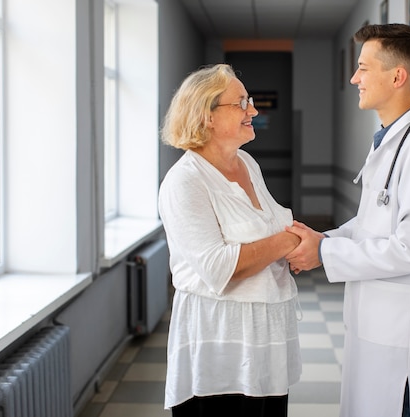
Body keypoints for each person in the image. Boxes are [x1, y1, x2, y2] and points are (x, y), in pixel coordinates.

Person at [285, 24, 410, 417]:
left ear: (397, 76)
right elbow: (370, 223)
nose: (354, 78)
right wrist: (320, 238)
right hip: (376, 326)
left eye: (363, 68)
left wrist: (325, 252)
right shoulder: (390, 139)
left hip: (402, 339)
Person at [158, 64, 302, 417]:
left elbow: (268, 228)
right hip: (219, 347)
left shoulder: (247, 163)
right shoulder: (184, 182)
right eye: (241, 103)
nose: (252, 110)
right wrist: (289, 244)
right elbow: (218, 267)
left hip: (263, 344)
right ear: (206, 116)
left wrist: (300, 244)